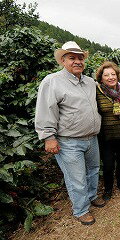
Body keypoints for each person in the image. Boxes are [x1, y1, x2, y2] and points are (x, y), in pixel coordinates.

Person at [35, 41, 105, 226]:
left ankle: (91, 197)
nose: (77, 61)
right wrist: (49, 137)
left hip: (91, 138)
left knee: (93, 171)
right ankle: (81, 210)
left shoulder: (89, 82)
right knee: (77, 178)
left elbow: (108, 86)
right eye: (72, 58)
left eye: (80, 58)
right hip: (69, 141)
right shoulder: (52, 81)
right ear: (63, 61)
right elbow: (45, 110)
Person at [95, 61, 120, 201]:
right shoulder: (97, 91)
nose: (110, 77)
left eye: (113, 74)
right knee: (108, 165)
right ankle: (108, 189)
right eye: (106, 75)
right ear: (101, 77)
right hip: (106, 136)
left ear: (117, 75)